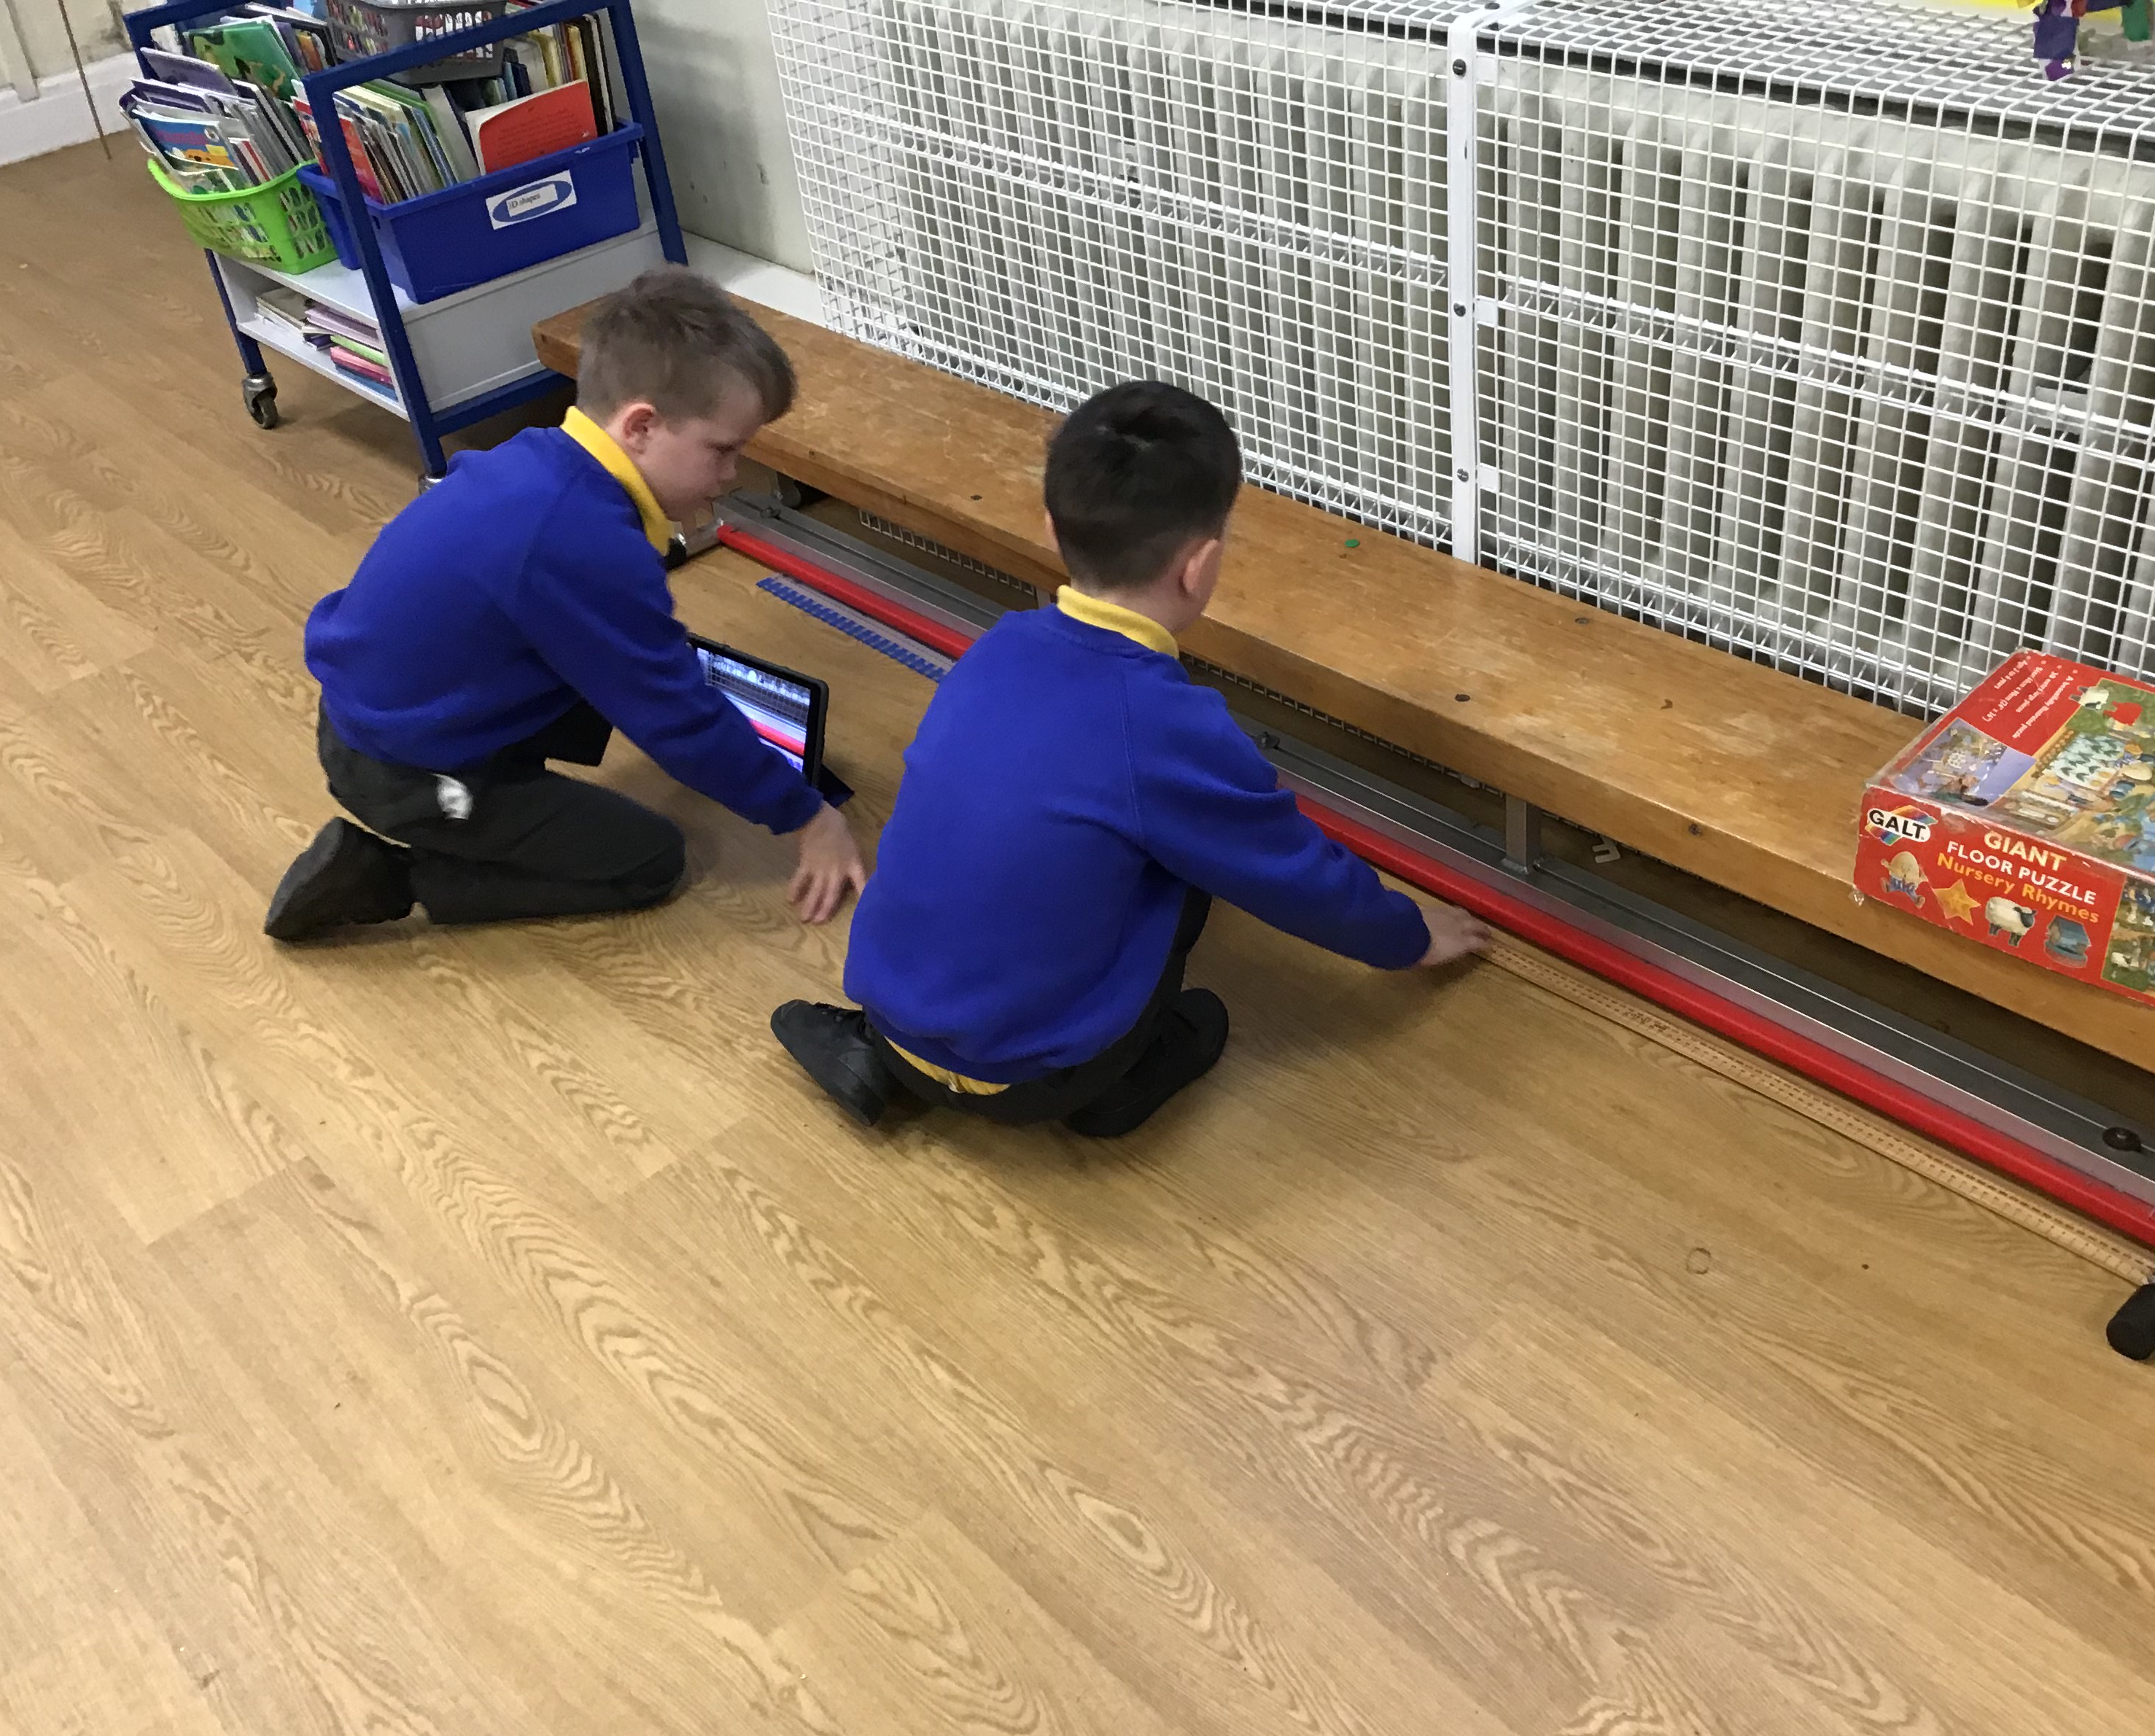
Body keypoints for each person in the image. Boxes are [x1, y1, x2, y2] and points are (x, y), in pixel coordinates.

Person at [772, 380, 1488, 1135]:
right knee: (1190, 880)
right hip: (1029, 1074)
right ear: (1201, 567)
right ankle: (1107, 1086)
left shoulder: (997, 647)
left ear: (1052, 527)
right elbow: (1291, 873)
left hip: (888, 1009)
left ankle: (882, 1061)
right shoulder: (1169, 726)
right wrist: (1410, 936)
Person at [265, 268, 864, 941]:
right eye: (723, 451)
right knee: (649, 861)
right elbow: (674, 718)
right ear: (641, 426)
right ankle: (387, 876)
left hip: (380, 709)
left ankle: (495, 795)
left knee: (628, 666)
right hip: (401, 766)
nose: (731, 475)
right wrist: (807, 816)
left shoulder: (539, 457)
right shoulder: (581, 543)